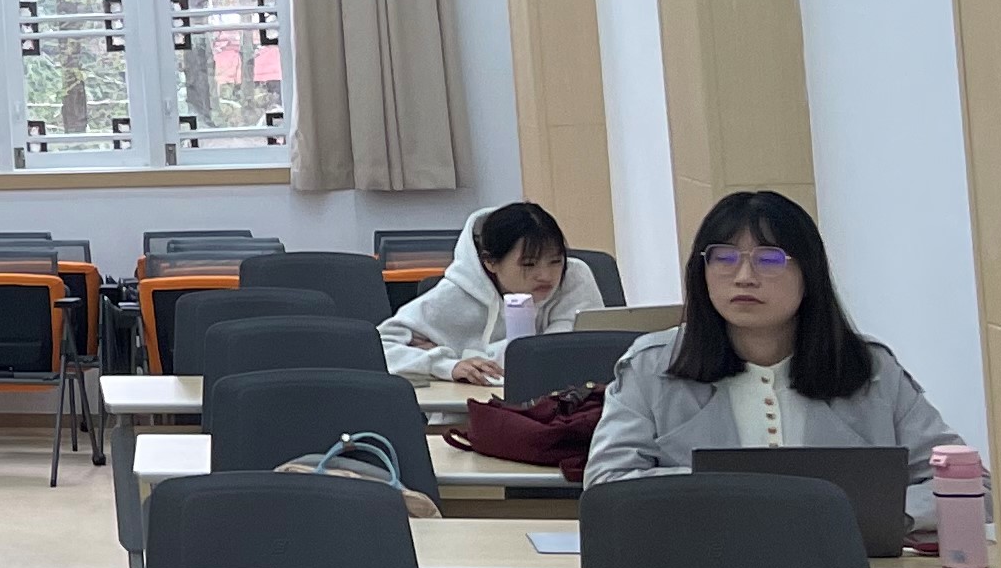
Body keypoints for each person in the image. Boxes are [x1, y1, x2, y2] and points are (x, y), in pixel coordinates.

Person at [584, 190, 962, 507]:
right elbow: (606, 485)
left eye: (769, 259)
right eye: (725, 258)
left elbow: (964, 484)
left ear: (809, 274)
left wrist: (877, 514)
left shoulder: (869, 368)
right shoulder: (651, 367)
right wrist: (731, 491)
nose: (744, 277)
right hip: (702, 565)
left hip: (847, 565)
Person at [383, 199, 605, 384]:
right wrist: (446, 365)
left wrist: (468, 354)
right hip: (472, 409)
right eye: (529, 264)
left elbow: (555, 355)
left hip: (565, 406)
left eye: (556, 261)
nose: (546, 275)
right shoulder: (455, 294)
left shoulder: (574, 277)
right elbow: (378, 347)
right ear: (490, 262)